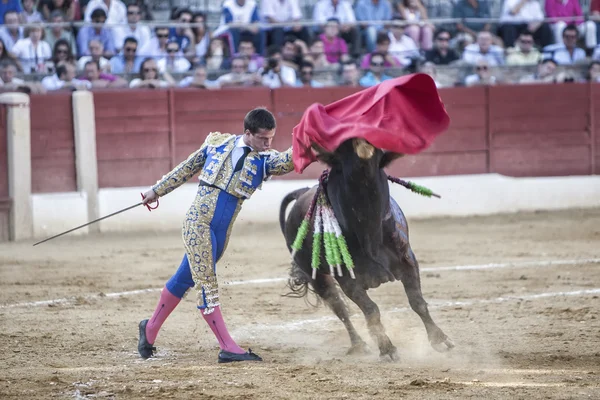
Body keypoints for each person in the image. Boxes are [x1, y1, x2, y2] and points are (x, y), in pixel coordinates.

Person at [137, 108, 298, 363]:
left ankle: (149, 329)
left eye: (271, 139)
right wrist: (156, 190)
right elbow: (185, 168)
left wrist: (306, 140)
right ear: (248, 133)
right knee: (207, 284)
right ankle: (228, 347)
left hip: (221, 233)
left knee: (182, 280)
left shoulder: (265, 158)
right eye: (263, 139)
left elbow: (287, 161)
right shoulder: (216, 143)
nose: (268, 145)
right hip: (197, 224)